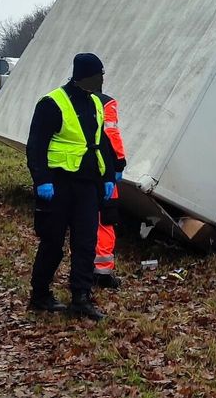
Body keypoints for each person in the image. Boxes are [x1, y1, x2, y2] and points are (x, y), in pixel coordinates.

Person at [26, 53, 112, 320]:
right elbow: (36, 145)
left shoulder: (96, 104)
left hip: (87, 185)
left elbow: (101, 142)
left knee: (86, 243)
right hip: (57, 184)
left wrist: (109, 175)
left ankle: (81, 298)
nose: (101, 80)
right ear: (82, 76)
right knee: (52, 243)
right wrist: (42, 180)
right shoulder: (52, 103)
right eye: (97, 74)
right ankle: (39, 295)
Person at [93, 92, 126, 289]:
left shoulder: (71, 100)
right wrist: (120, 162)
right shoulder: (107, 103)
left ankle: (83, 269)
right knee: (106, 220)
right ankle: (103, 272)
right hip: (104, 171)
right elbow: (111, 134)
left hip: (80, 173)